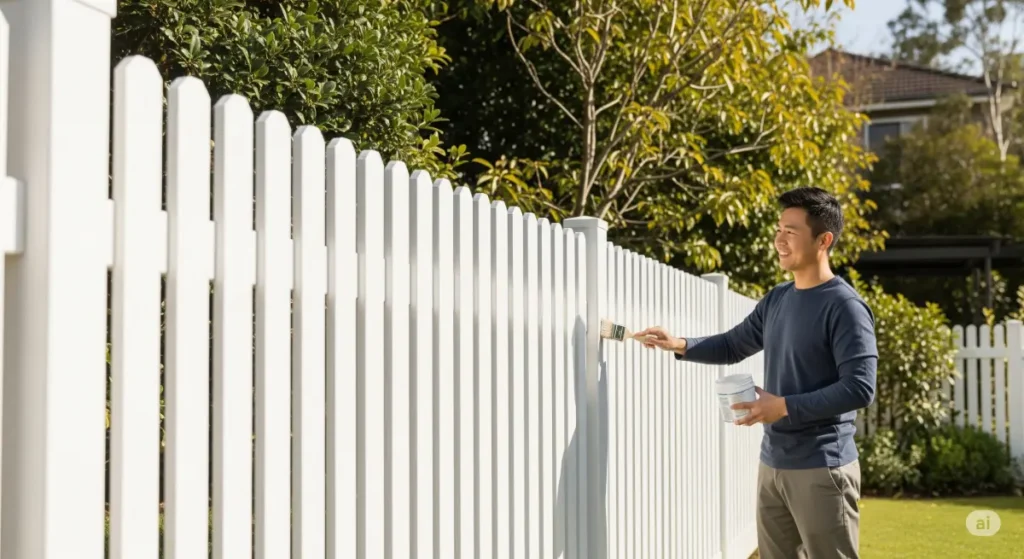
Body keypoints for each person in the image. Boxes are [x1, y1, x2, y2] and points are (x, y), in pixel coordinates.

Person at [637, 186, 877, 559]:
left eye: (791, 231)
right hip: (773, 463)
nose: (779, 239)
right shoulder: (778, 299)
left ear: (823, 240)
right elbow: (734, 345)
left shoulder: (845, 307)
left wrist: (783, 406)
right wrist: (679, 343)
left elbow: (860, 388)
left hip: (822, 467)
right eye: (779, 228)